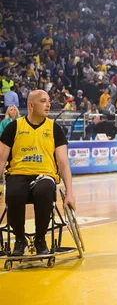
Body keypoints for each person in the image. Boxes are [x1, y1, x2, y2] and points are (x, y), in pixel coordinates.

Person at [0, 90, 76, 256]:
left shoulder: (55, 129)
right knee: (13, 192)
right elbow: (1, 159)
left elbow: (63, 162)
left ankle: (40, 239)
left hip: (45, 175)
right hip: (18, 173)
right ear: (31, 105)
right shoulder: (14, 127)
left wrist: (69, 192)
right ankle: (20, 240)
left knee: (44, 191)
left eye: (48, 101)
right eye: (43, 101)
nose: (48, 104)